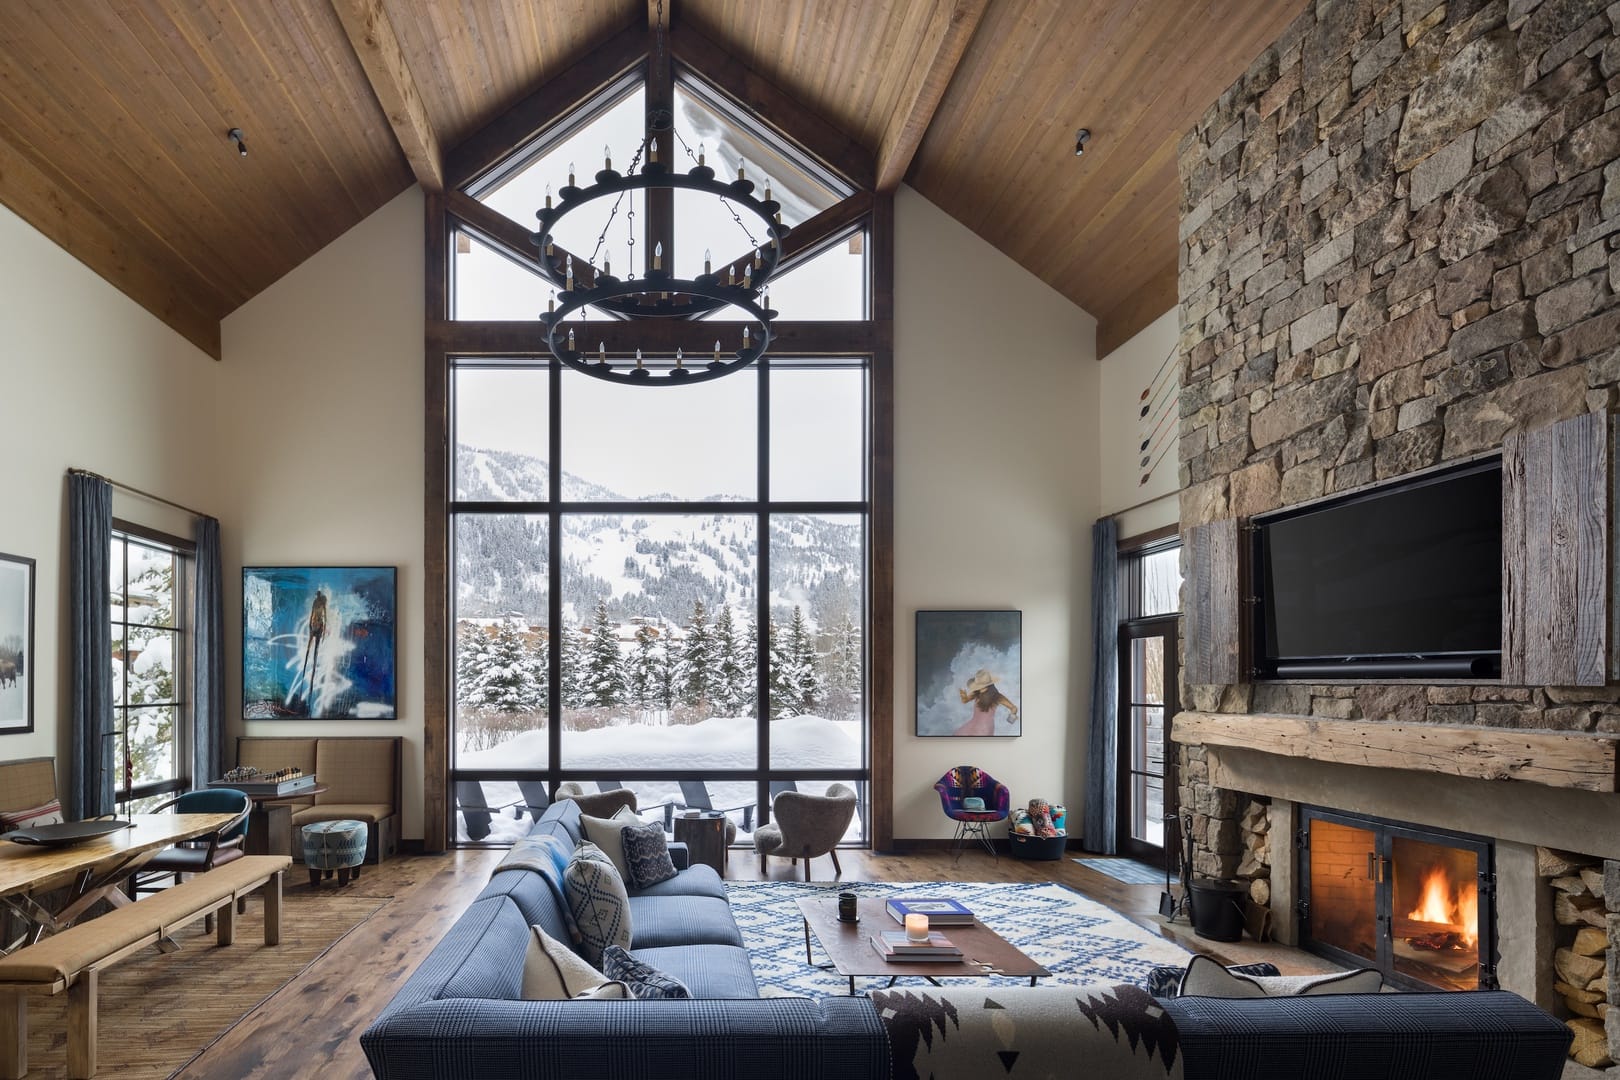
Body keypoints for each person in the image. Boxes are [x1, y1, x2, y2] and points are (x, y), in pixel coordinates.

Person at [955, 668, 1018, 735]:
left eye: (980, 685)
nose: (978, 687)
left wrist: (1011, 719)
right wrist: (963, 695)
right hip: (973, 725)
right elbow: (965, 701)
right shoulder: (977, 692)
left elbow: (1014, 708)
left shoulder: (997, 696)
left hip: (985, 728)